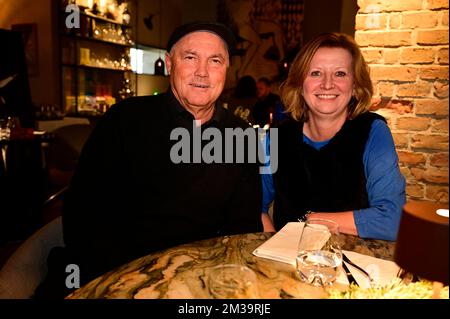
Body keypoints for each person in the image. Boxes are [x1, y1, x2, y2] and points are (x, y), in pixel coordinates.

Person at [35, 22, 262, 298]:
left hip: (199, 282)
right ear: (169, 64)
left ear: (227, 71)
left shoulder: (241, 135)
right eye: (190, 58)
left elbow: (242, 228)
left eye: (215, 61)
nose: (202, 72)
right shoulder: (124, 121)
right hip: (116, 275)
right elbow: (83, 216)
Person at [261, 33, 406, 241]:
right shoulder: (275, 138)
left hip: (355, 265)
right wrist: (276, 246)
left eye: (340, 73)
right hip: (288, 265)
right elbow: (254, 206)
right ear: (300, 85)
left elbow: (394, 220)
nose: (327, 84)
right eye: (316, 73)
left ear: (355, 86)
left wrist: (313, 221)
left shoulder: (373, 131)